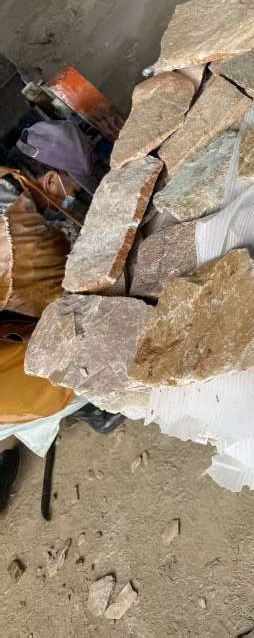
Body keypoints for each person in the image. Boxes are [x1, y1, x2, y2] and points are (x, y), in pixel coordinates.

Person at [0, 130, 120, 516]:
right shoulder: (17, 231)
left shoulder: (9, 185)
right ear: (51, 180)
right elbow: (63, 297)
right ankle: (90, 403)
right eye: (72, 190)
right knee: (82, 339)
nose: (70, 199)